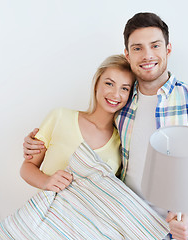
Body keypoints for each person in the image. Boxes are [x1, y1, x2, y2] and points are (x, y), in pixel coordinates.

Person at [24, 13, 188, 240]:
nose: (147, 55)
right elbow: (89, 133)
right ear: (128, 54)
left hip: (184, 232)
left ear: (168, 49)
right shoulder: (121, 103)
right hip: (127, 227)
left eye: (155, 46)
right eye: (138, 48)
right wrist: (35, 143)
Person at [20, 54, 134, 193]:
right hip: (47, 212)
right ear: (97, 83)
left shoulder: (122, 143)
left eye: (125, 88)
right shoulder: (60, 117)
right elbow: (27, 167)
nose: (116, 94)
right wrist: (46, 182)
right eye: (109, 83)